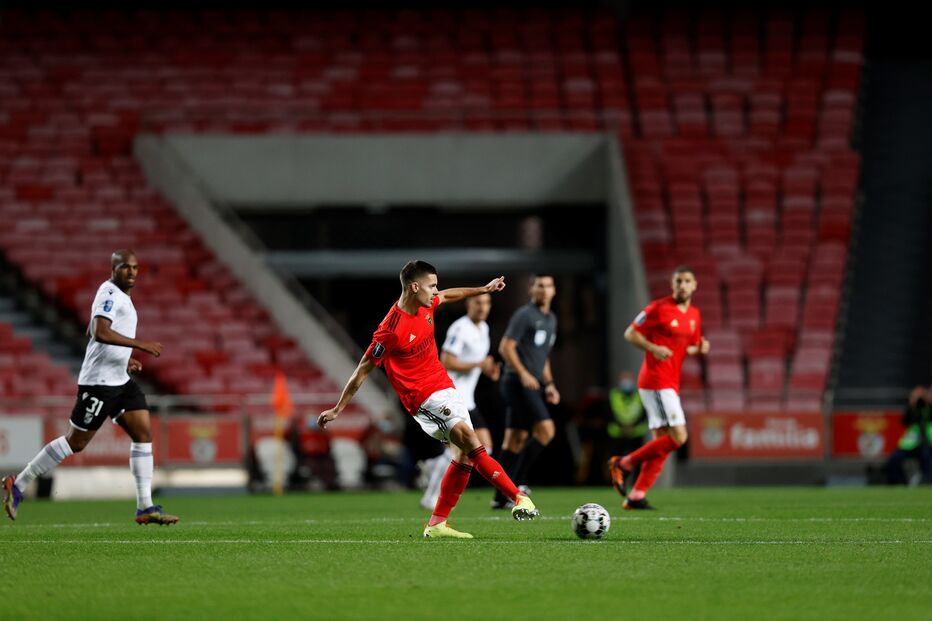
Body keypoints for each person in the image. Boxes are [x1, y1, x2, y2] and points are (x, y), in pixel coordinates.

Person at [318, 260, 538, 539]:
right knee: (472, 441)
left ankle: (437, 524)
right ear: (414, 286)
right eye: (432, 285)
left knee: (465, 457)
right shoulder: (391, 329)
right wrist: (338, 408)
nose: (436, 291)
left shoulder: (427, 304)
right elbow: (363, 369)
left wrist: (483, 288)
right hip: (422, 398)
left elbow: (448, 295)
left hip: (445, 387)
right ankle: (518, 497)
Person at [2, 250, 177, 525]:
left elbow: (91, 331)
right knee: (76, 442)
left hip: (120, 380)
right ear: (113, 269)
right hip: (99, 383)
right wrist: (140, 346)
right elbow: (98, 331)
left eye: (135, 267)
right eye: (125, 267)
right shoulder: (109, 293)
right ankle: (19, 483)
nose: (131, 272)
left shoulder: (120, 297)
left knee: (143, 432)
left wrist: (125, 359)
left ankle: (145, 507)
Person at [608, 266, 710, 509]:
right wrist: (653, 348)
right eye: (678, 281)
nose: (682, 285)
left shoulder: (694, 314)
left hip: (670, 382)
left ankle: (636, 496)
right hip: (655, 381)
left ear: (695, 285)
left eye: (687, 281)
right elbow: (630, 334)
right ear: (672, 285)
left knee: (661, 445)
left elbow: (686, 346)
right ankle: (623, 463)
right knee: (679, 437)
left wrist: (700, 348)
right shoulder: (658, 308)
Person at [420, 293, 500, 510]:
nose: (482, 307)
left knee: (485, 447)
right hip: (453, 396)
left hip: (468, 398)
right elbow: (447, 360)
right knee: (463, 450)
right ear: (468, 304)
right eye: (478, 302)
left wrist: (487, 369)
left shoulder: (483, 329)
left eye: (486, 303)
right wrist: (479, 364)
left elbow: (477, 363)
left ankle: (435, 465)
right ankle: (430, 497)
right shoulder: (460, 328)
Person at [491, 274, 560, 510]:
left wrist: (549, 384)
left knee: (515, 440)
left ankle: (500, 496)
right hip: (516, 382)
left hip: (532, 384)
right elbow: (505, 347)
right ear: (531, 290)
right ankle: (516, 486)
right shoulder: (524, 315)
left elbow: (544, 357)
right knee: (546, 430)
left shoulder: (551, 318)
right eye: (540, 286)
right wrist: (523, 373)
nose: (544, 290)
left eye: (548, 286)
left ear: (554, 291)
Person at [885, 385, 931, 485]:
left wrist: (928, 401)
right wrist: (912, 404)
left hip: (927, 443)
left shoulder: (929, 408)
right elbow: (905, 421)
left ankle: (927, 482)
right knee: (894, 459)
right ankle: (899, 482)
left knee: (927, 459)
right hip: (911, 444)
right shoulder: (912, 409)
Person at [605, 371, 648, 475]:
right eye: (624, 379)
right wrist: (622, 427)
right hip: (617, 434)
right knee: (617, 462)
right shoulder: (613, 395)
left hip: (636, 434)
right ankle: (617, 482)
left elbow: (644, 413)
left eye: (629, 379)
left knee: (637, 461)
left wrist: (632, 426)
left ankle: (636, 485)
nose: (627, 382)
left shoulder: (640, 395)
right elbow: (608, 413)